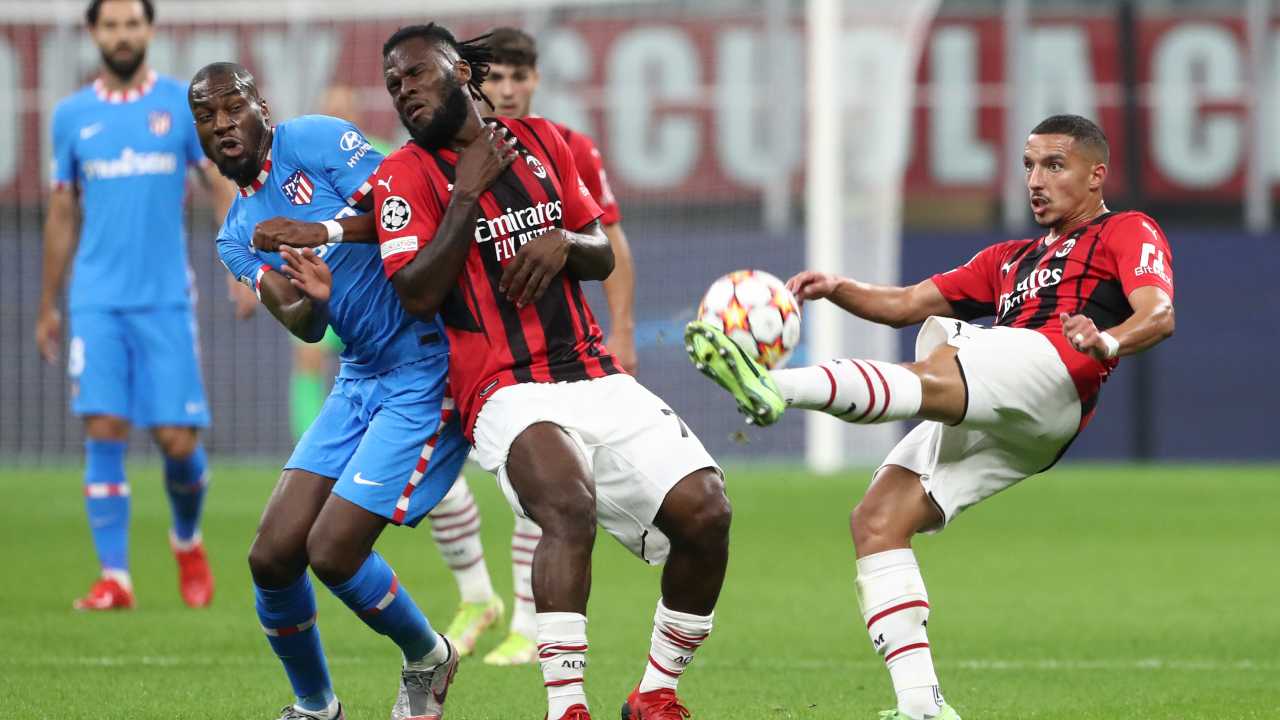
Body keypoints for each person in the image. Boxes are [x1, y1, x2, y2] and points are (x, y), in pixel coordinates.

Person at [685, 114, 1176, 720]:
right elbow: (906, 303)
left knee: (944, 359)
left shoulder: (1126, 230)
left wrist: (1107, 342)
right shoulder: (1008, 259)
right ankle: (922, 705)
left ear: (1096, 175)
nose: (1036, 180)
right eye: (1028, 166)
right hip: (1019, 420)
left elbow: (1158, 313)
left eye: (1054, 165)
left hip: (1059, 370)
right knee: (877, 518)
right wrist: (838, 286)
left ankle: (776, 386)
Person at [376, 23, 732, 720]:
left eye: (416, 74)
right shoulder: (405, 175)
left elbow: (600, 251)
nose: (404, 91)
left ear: (460, 71)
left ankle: (655, 694)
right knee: (566, 505)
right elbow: (416, 292)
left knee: (709, 511)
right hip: (502, 389)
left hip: (592, 372)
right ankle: (566, 709)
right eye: (394, 84)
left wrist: (565, 240)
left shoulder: (546, 144)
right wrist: (464, 195)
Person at [191, 61, 467, 720]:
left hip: (426, 361)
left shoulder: (314, 140)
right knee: (272, 554)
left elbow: (404, 211)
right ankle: (316, 707)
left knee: (334, 550)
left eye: (234, 109)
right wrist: (313, 298)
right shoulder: (236, 235)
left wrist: (325, 232)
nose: (224, 126)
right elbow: (303, 322)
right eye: (208, 118)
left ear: (261, 106)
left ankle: (430, 656)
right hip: (361, 373)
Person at [37, 0, 233, 611]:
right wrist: (49, 304)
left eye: (132, 23)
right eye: (111, 24)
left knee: (177, 442)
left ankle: (186, 538)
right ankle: (115, 578)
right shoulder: (71, 116)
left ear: (148, 30)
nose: (122, 35)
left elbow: (218, 184)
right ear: (95, 33)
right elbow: (63, 211)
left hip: (165, 301)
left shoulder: (179, 105)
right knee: (104, 428)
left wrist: (239, 267)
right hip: (96, 300)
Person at [458, 25, 640, 666]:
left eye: (516, 76)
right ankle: (493, 604)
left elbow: (609, 243)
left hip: (560, 351)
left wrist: (621, 330)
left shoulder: (568, 147)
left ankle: (529, 625)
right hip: (487, 354)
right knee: (494, 484)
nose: (505, 89)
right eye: (493, 78)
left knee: (552, 489)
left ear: (534, 79)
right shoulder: (454, 153)